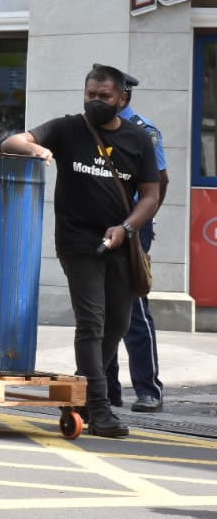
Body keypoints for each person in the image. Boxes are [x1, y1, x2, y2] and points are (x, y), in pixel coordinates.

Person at [1, 63, 161, 438]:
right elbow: (11, 142)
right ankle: (99, 410)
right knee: (92, 321)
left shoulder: (139, 140)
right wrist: (37, 148)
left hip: (121, 243)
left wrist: (126, 228)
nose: (96, 102)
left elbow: (151, 195)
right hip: (78, 243)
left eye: (104, 96)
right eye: (90, 95)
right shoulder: (69, 128)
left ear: (122, 99)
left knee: (118, 323)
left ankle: (82, 392)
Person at [106, 72, 168, 413]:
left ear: (123, 98)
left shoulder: (145, 131)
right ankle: (109, 388)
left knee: (133, 309)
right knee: (100, 308)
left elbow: (161, 180)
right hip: (98, 223)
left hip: (132, 224)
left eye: (105, 95)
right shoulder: (92, 129)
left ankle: (148, 389)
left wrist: (145, 220)